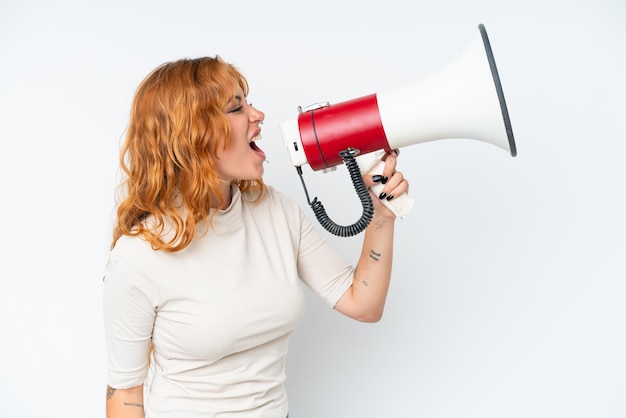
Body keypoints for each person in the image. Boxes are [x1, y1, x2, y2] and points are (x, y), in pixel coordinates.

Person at [103, 55, 409, 418]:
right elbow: (124, 394)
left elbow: (363, 304)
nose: (257, 114)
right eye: (236, 108)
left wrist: (382, 217)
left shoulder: (276, 211)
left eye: (247, 101)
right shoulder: (140, 253)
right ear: (192, 137)